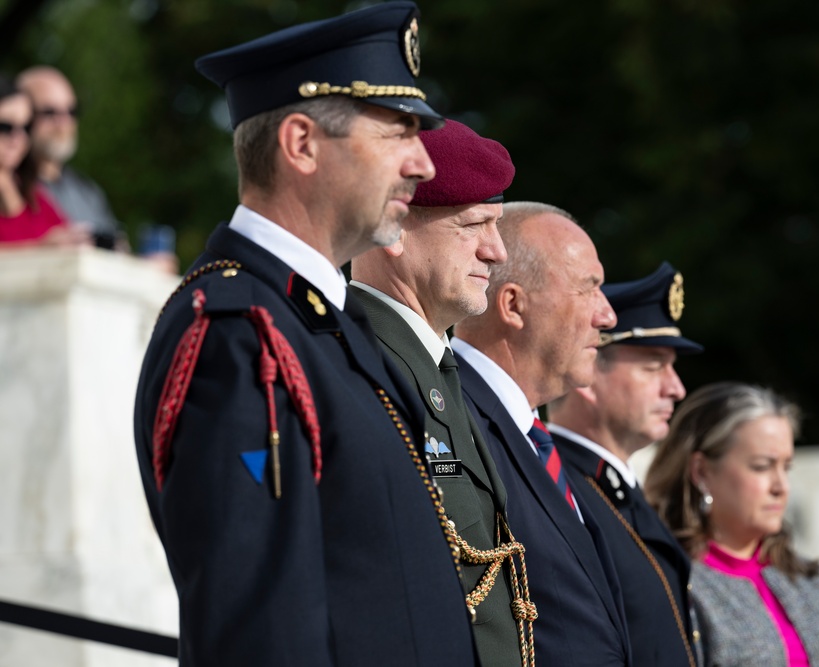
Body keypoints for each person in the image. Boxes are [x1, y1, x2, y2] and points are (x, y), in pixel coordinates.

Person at [132, 3, 479, 665]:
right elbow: (260, 632)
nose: (423, 165)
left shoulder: (316, 323)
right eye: (398, 133)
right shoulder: (238, 332)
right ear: (301, 144)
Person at [349, 119, 531, 667]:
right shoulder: (362, 365)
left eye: (496, 226)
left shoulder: (434, 370)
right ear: (396, 228)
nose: (496, 252)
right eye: (474, 225)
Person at [452, 202, 633, 667]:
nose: (608, 316)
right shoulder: (451, 423)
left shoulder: (533, 438)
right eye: (588, 289)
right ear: (513, 304)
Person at [644, 382, 819, 667]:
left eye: (786, 467)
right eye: (762, 466)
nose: (781, 486)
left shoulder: (814, 582)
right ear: (701, 471)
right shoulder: (668, 584)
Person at [546, 261, 703, 667]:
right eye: (653, 367)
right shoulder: (554, 485)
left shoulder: (616, 487)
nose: (676, 388)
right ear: (591, 376)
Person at [16, 66, 119, 244]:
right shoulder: (9, 187)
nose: (63, 124)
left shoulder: (88, 193)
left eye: (71, 112)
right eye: (49, 112)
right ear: (22, 116)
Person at [0, 74, 88, 246]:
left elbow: (67, 238)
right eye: (5, 127)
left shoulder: (34, 196)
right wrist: (38, 249)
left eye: (26, 127)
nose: (18, 138)